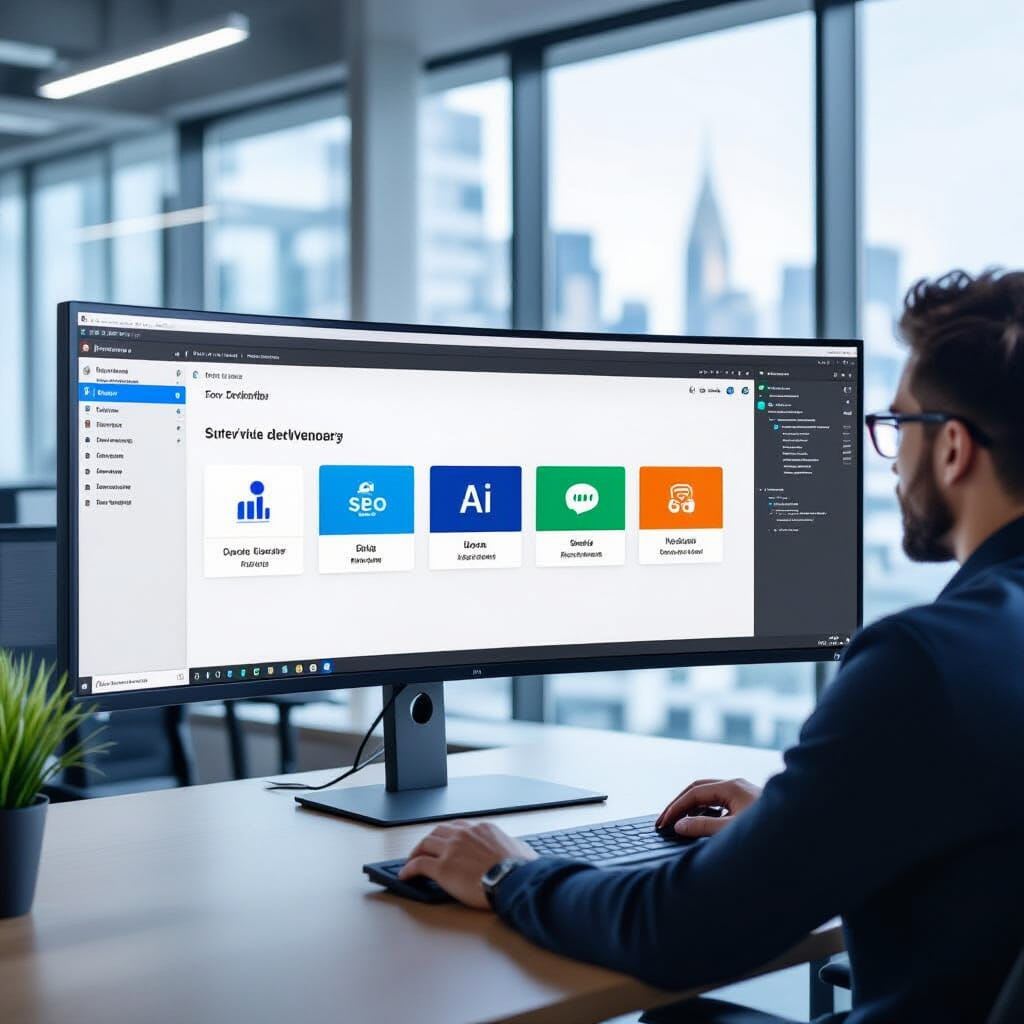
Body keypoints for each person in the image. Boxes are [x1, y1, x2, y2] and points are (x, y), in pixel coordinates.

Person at [399, 269, 1024, 1023]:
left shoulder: (925, 663)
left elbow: (674, 933)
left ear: (953, 448)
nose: (888, 462)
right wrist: (801, 825)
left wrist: (509, 876)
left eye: (899, 427)